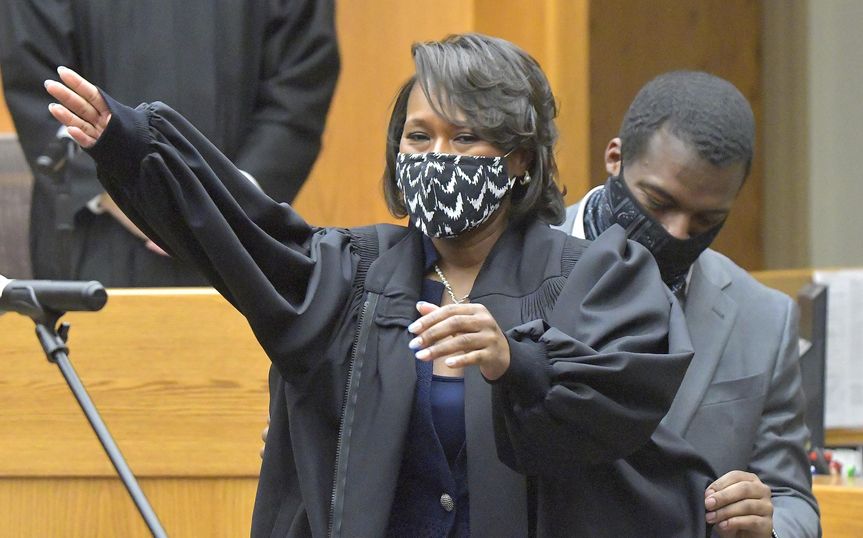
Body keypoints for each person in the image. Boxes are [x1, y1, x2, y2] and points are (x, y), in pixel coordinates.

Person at [45, 34, 717, 537]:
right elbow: (244, 232)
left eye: (464, 137)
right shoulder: (351, 273)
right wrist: (132, 146)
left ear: (517, 158)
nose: (436, 159)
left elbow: (617, 397)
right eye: (418, 138)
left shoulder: (592, 275)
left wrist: (516, 359)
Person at [559, 71, 820, 537]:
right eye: (658, 202)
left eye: (706, 219)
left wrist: (768, 525)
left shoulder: (764, 318)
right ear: (615, 158)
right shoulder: (511, 263)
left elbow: (793, 502)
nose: (677, 232)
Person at [0, 0, 339, 286]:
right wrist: (139, 202)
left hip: (240, 236)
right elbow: (34, 72)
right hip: (98, 231)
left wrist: (231, 203)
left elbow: (302, 78)